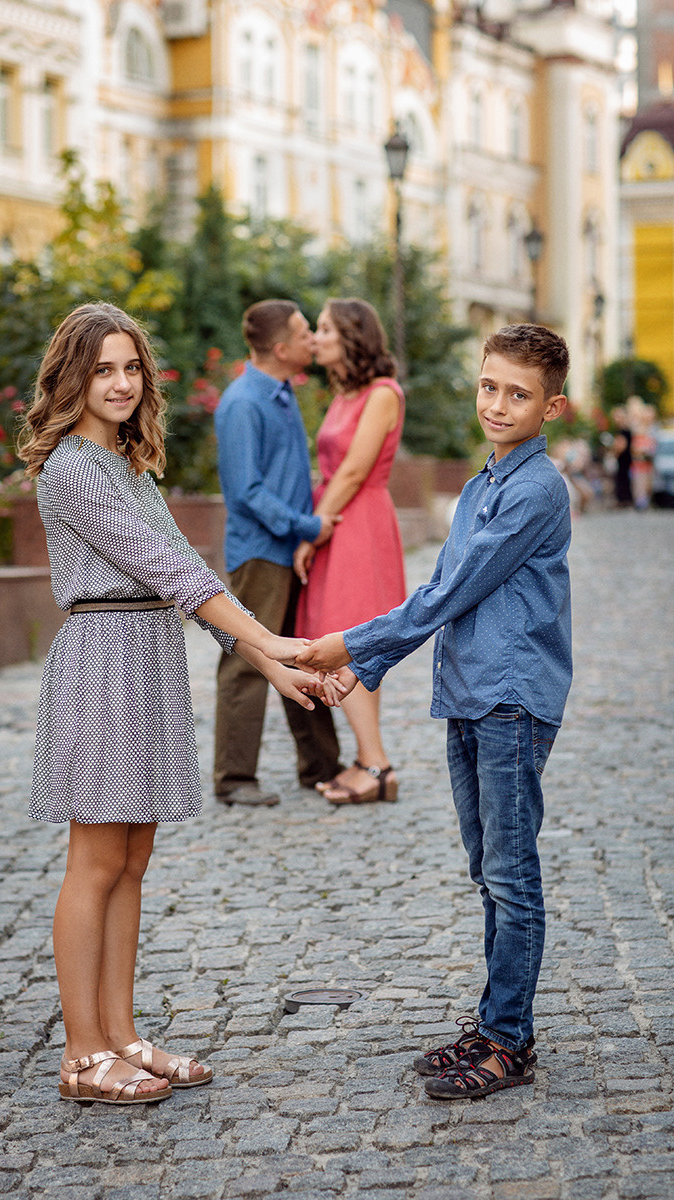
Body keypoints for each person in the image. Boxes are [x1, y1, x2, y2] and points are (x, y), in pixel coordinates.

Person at [16, 302, 341, 1105]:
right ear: (73, 378)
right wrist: (278, 644)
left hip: (148, 655)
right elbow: (175, 571)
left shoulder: (129, 465)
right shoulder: (69, 468)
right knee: (93, 862)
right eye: (103, 370)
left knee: (132, 859)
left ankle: (122, 1032)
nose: (121, 384)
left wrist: (269, 664)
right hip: (102, 661)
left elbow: (185, 578)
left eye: (131, 368)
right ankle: (82, 1053)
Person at [294, 323, 572, 1099]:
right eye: (490, 386)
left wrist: (349, 646)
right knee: (490, 873)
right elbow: (440, 594)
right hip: (472, 696)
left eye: (519, 394)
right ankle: (493, 1023)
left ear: (552, 408)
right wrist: (368, 662)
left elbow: (453, 592)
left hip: (512, 701)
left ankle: (509, 1043)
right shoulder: (485, 483)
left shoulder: (536, 489)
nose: (498, 403)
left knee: (512, 878)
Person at [213, 299, 343, 807]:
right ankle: (235, 779)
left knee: (304, 653)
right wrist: (309, 525)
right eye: (305, 331)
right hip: (261, 553)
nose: (314, 337)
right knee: (248, 659)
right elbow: (246, 492)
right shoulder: (243, 402)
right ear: (283, 347)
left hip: (287, 550)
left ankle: (321, 765)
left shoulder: (283, 393)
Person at [293, 298, 406, 805]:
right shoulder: (343, 395)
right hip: (338, 520)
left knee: (353, 642)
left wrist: (313, 531)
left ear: (352, 336)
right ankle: (368, 760)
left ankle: (377, 765)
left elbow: (356, 470)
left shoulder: (383, 393)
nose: (315, 337)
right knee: (334, 642)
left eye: (324, 328)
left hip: (358, 525)